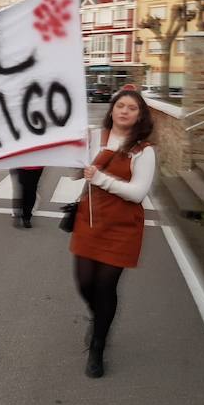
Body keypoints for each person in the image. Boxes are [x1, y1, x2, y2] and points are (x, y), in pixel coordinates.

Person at [69, 90, 155, 378]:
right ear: (112, 109)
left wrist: (102, 179)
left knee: (105, 287)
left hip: (122, 227)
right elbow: (76, 173)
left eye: (132, 107)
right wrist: (75, 156)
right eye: (120, 105)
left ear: (140, 115)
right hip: (89, 222)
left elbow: (138, 193)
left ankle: (97, 346)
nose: (125, 111)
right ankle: (99, 317)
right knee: (84, 283)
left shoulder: (144, 150)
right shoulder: (95, 136)